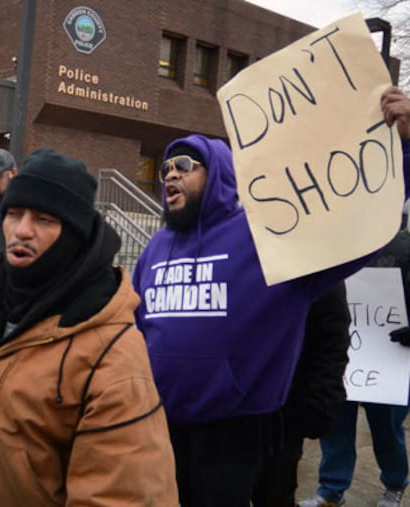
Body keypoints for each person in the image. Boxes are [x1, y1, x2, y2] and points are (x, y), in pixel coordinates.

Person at [131, 85, 410, 507]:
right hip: (158, 427)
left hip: (234, 432)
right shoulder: (155, 247)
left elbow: (360, 228)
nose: (170, 172)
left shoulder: (265, 237)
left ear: (220, 173)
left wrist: (406, 147)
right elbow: (135, 326)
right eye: (167, 165)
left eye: (185, 164)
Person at [0, 148, 178, 506]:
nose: (22, 231)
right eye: (14, 214)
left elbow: (123, 495)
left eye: (44, 219)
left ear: (74, 235)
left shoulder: (114, 355)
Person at [298, 226, 410, 507]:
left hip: (388, 363)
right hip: (343, 360)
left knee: (387, 430)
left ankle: (395, 485)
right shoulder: (334, 249)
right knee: (335, 424)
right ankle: (331, 489)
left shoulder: (404, 248)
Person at [252, 282, 351, 507]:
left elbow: (332, 334)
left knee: (275, 490)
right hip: (222, 416)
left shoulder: (314, 259)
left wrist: (320, 400)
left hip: (284, 412)